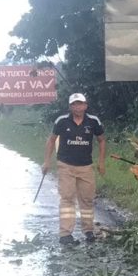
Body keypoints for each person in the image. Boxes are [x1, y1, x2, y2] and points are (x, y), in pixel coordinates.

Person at [43, 93, 106, 245]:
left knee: (87, 199)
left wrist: (101, 162)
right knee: (67, 198)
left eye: (80, 104)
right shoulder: (62, 121)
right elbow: (51, 140)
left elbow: (102, 140)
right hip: (66, 165)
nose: (77, 107)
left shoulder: (93, 121)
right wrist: (47, 162)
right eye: (74, 104)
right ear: (70, 107)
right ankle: (65, 234)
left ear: (85, 105)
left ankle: (88, 230)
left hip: (86, 166)